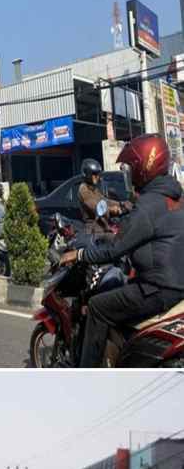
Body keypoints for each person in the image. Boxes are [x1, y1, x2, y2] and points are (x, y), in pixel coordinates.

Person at [61, 134, 184, 367]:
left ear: (144, 167)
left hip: (158, 288)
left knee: (98, 306)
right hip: (174, 281)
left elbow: (114, 249)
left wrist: (78, 255)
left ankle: (85, 376)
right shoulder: (176, 197)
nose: (128, 173)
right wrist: (125, 207)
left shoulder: (148, 205)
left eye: (131, 167)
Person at [78, 159, 122, 235]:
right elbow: (96, 207)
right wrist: (111, 209)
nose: (97, 177)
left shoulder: (94, 189)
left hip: (102, 225)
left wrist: (121, 204)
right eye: (94, 174)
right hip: (94, 229)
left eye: (98, 174)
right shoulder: (84, 189)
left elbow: (105, 201)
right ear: (87, 174)